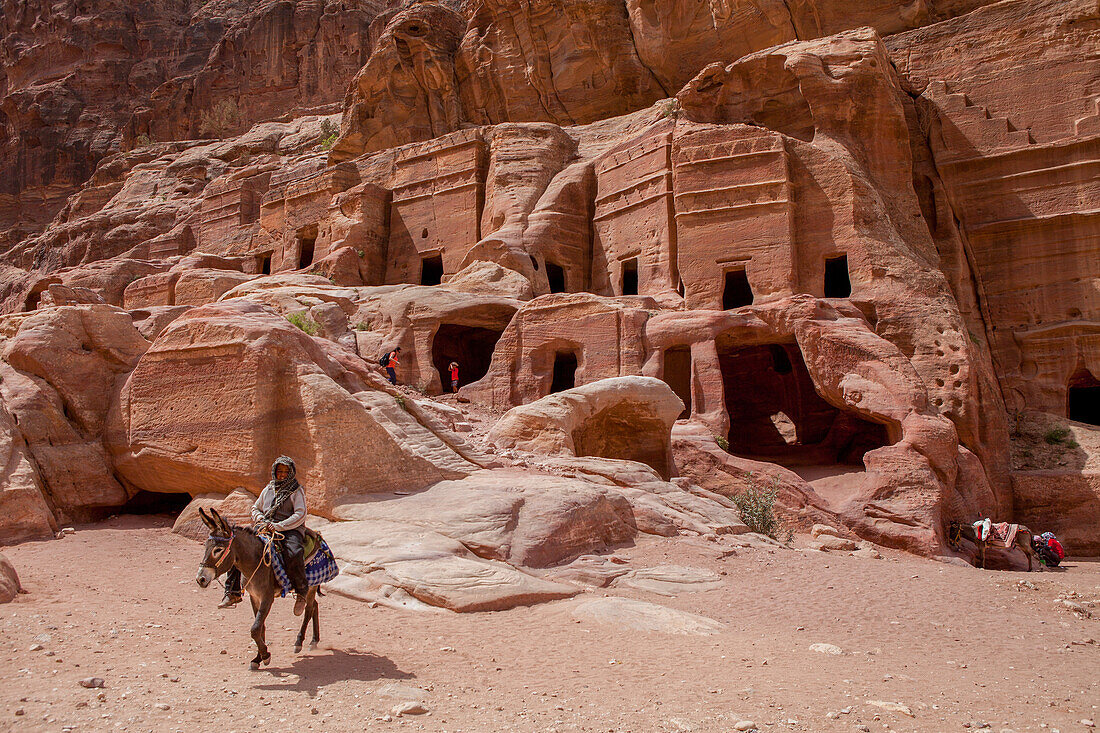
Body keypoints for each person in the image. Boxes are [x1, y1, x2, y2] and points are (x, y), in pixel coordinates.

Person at [219, 456, 311, 616]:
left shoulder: (296, 490)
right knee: (237, 546)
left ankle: (301, 591)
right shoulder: (269, 488)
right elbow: (256, 508)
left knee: (294, 552)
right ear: (275, 471)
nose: (282, 474)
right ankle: (233, 592)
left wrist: (278, 526)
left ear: (291, 472)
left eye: (285, 471)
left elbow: (300, 514)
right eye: (279, 471)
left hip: (289, 530)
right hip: (265, 526)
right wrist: (261, 519)